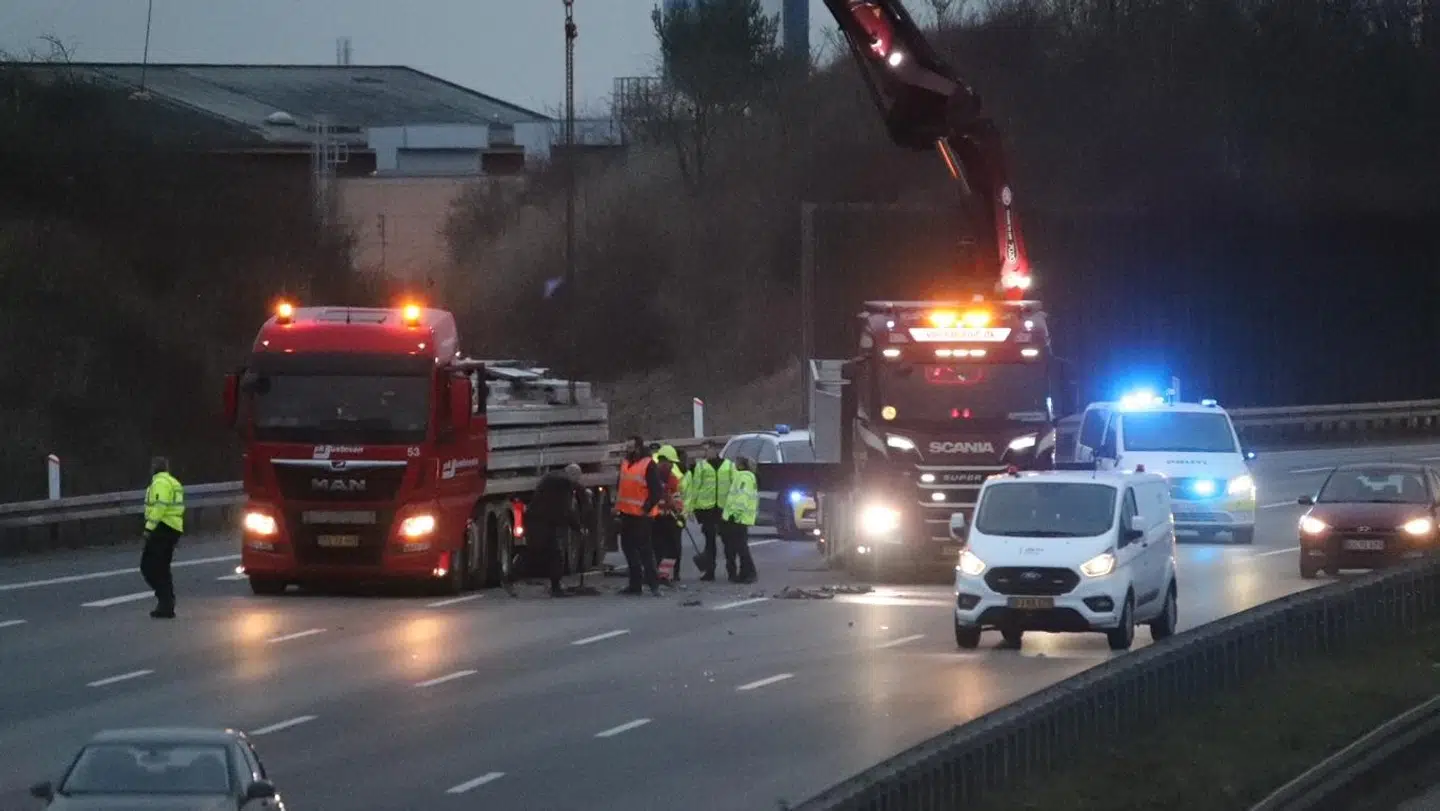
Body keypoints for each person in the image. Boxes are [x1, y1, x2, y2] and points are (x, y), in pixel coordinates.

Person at [525, 463, 585, 596]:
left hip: (538, 519)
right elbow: (566, 510)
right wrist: (577, 527)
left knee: (547, 552)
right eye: (576, 480)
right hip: (543, 521)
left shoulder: (553, 476)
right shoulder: (564, 483)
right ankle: (556, 588)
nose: (576, 483)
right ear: (573, 476)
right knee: (553, 554)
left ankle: (555, 586)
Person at [616, 435, 665, 596]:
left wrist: (646, 508)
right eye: (627, 447)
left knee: (645, 551)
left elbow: (656, 491)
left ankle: (653, 585)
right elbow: (621, 486)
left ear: (638, 448)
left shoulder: (648, 464)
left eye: (630, 447)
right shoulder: (625, 463)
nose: (628, 450)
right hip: (626, 513)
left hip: (642, 516)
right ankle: (635, 584)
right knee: (628, 549)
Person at [141, 456, 185, 618]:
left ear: (154, 468)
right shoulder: (173, 482)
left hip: (162, 527)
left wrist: (149, 528)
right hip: (173, 527)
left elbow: (160, 506)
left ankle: (165, 600)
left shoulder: (160, 483)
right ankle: (166, 604)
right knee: (162, 567)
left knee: (149, 566)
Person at [687, 441, 736, 581]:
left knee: (728, 541)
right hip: (706, 509)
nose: (705, 453)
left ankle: (732, 570)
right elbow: (695, 487)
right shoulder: (701, 466)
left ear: (715, 450)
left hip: (724, 508)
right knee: (709, 542)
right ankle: (710, 571)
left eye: (707, 450)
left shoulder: (729, 465)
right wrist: (691, 507)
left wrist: (734, 506)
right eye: (703, 450)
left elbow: (734, 486)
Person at [720, 455, 759, 583]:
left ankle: (750, 573)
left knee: (741, 548)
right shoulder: (743, 476)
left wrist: (734, 514)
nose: (734, 465)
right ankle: (744, 573)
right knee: (739, 547)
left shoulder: (744, 477)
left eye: (736, 463)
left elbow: (741, 497)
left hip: (738, 518)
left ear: (741, 465)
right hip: (738, 518)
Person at [652, 445, 686, 580]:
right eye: (670, 463)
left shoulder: (673, 479)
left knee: (673, 550)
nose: (672, 466)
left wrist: (679, 513)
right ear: (663, 461)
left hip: (670, 518)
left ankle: (667, 575)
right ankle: (659, 575)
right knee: (658, 549)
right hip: (656, 519)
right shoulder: (652, 477)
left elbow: (677, 498)